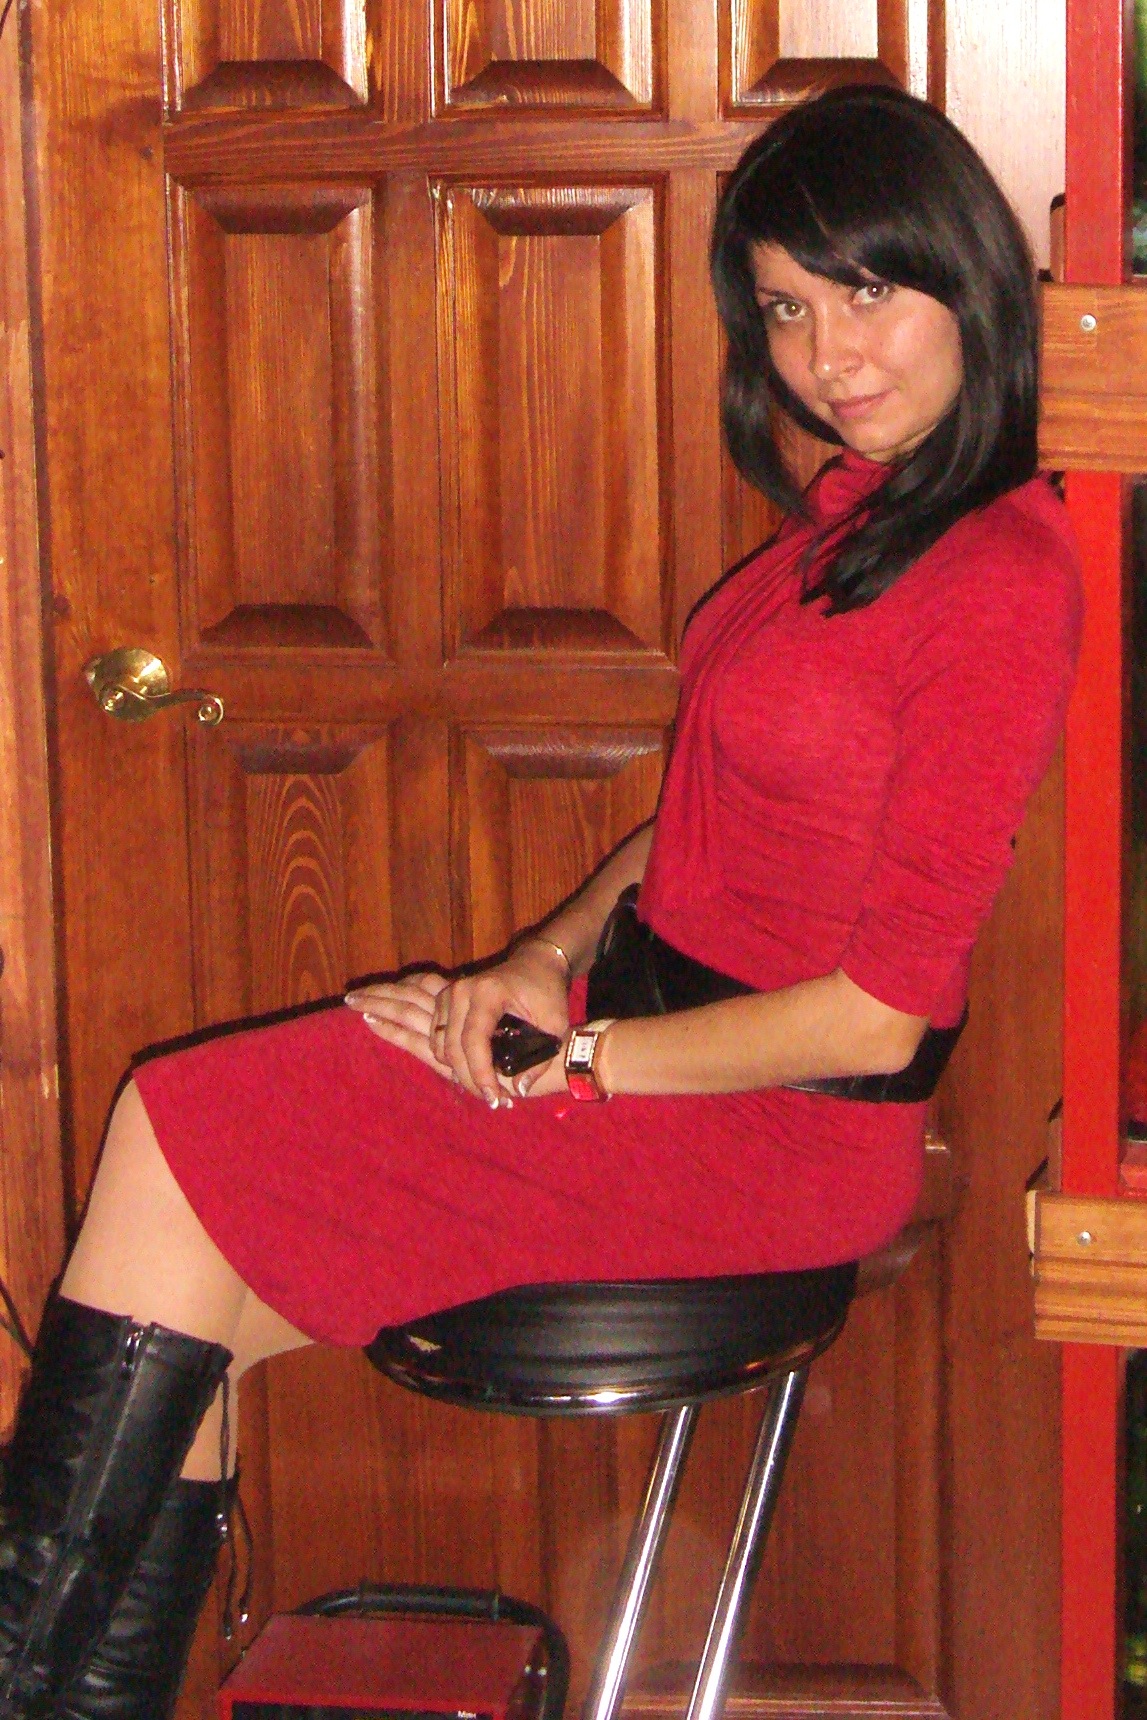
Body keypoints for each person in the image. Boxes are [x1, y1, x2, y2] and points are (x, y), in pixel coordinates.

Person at [0, 84, 1081, 1720]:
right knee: (191, 1275)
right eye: (786, 308)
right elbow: (701, 817)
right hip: (642, 1038)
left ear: (968, 279)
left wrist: (572, 1064)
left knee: (177, 1125)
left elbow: (881, 1015)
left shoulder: (998, 576)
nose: (828, 357)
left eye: (867, 290)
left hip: (773, 1132)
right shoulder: (867, 512)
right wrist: (538, 961)